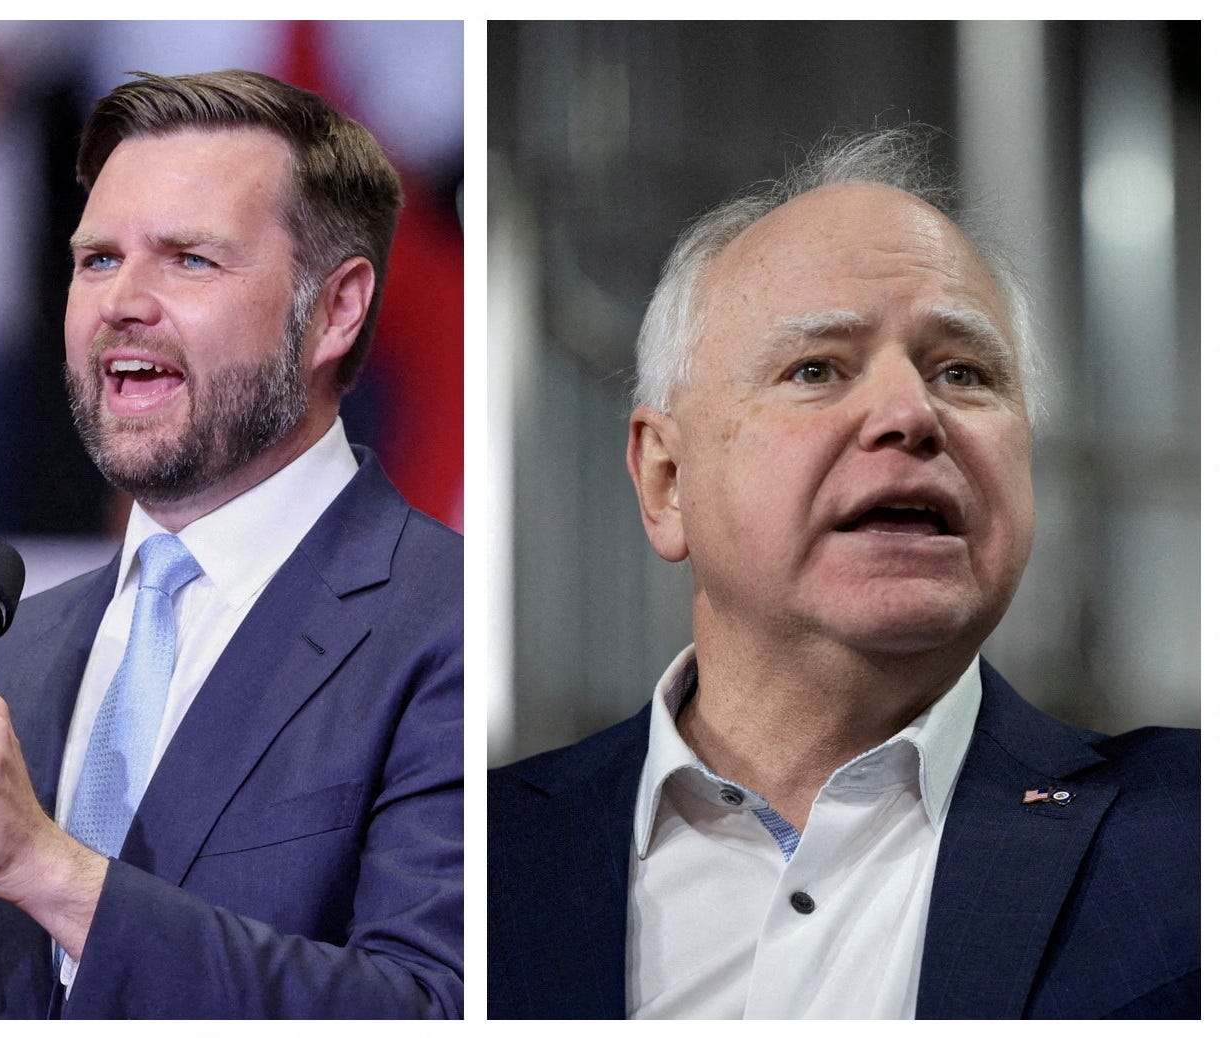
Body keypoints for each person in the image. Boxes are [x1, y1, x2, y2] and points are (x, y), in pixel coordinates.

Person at [0, 69, 462, 1019]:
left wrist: (47, 868)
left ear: (336, 309)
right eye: (96, 260)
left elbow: (427, 1009)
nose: (121, 302)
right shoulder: (0, 651)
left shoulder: (449, 622)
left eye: (188, 260)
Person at [487, 127, 1197, 1019]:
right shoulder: (473, 854)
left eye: (965, 372)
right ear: (667, 481)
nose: (911, 414)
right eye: (817, 368)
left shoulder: (1187, 838)